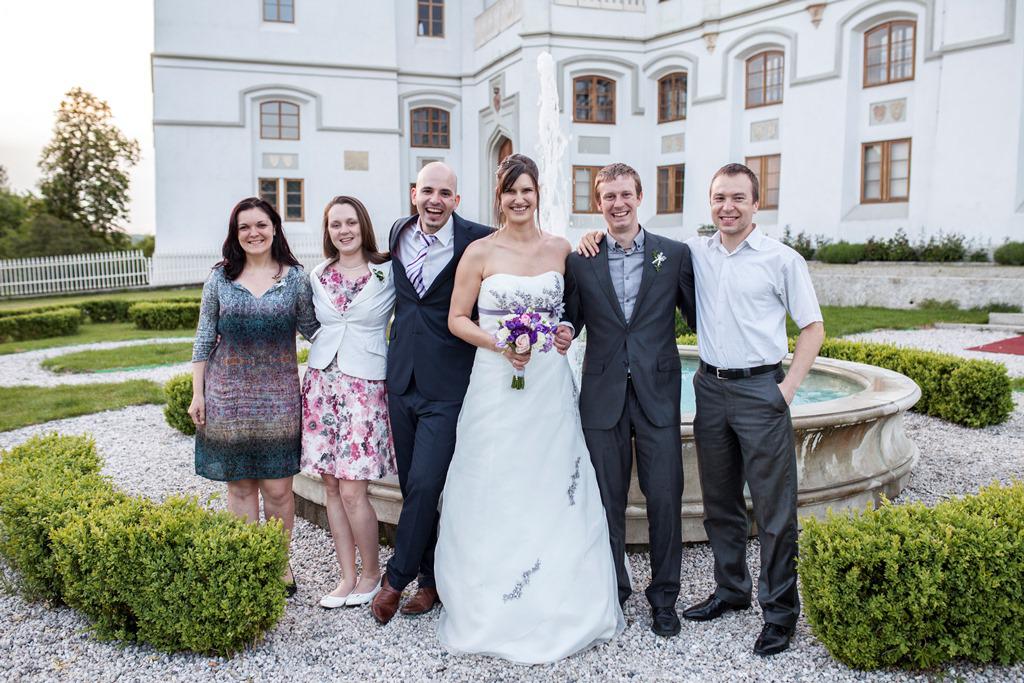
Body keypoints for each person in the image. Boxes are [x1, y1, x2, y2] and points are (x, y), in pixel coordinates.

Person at [434, 153, 623, 664]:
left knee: (551, 476)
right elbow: (457, 319)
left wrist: (564, 330)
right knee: (496, 478)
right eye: (510, 192)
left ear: (538, 194)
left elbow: (572, 313)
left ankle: (562, 590)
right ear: (499, 198)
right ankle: (493, 596)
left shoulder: (562, 249)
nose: (519, 200)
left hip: (548, 384)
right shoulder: (478, 252)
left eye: (527, 191)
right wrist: (499, 342)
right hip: (496, 383)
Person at [679, 163, 824, 657]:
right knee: (719, 503)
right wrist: (593, 235)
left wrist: (787, 390)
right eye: (719, 197)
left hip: (762, 390)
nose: (728, 207)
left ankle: (780, 614)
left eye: (738, 198)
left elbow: (813, 328)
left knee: (774, 510)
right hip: (709, 388)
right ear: (710, 202)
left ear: (756, 204)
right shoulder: (696, 252)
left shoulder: (782, 260)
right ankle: (731, 589)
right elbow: (644, 246)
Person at [565, 162, 697, 638]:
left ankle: (664, 598)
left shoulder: (674, 255)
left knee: (665, 498)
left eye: (625, 195)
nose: (618, 204)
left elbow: (701, 316)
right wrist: (560, 330)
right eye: (609, 197)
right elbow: (571, 319)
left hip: (658, 394)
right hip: (602, 396)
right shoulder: (581, 260)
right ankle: (613, 591)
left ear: (640, 197)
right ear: (598, 203)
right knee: (606, 500)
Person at [369, 162, 494, 624]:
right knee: (411, 487)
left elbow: (522, 256)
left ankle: (395, 579)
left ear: (456, 200)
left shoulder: (479, 240)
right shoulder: (398, 232)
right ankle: (431, 580)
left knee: (425, 483)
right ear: (414, 194)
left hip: (448, 384)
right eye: (427, 191)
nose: (435, 201)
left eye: (444, 193)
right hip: (401, 379)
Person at [188, 196, 319, 596]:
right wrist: (198, 394)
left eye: (260, 225)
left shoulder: (295, 279)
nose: (253, 233)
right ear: (235, 233)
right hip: (228, 397)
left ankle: (277, 563)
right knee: (240, 487)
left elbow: (315, 329)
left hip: (279, 400)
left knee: (278, 490)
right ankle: (249, 563)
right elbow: (204, 337)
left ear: (275, 228)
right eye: (244, 227)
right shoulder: (220, 279)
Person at [300, 196, 396, 609]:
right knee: (331, 486)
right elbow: (309, 323)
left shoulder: (387, 272)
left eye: (351, 222)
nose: (344, 231)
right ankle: (347, 576)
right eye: (336, 224)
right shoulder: (318, 274)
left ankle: (372, 574)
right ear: (328, 231)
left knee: (355, 489)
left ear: (363, 226)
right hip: (322, 385)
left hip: (364, 388)